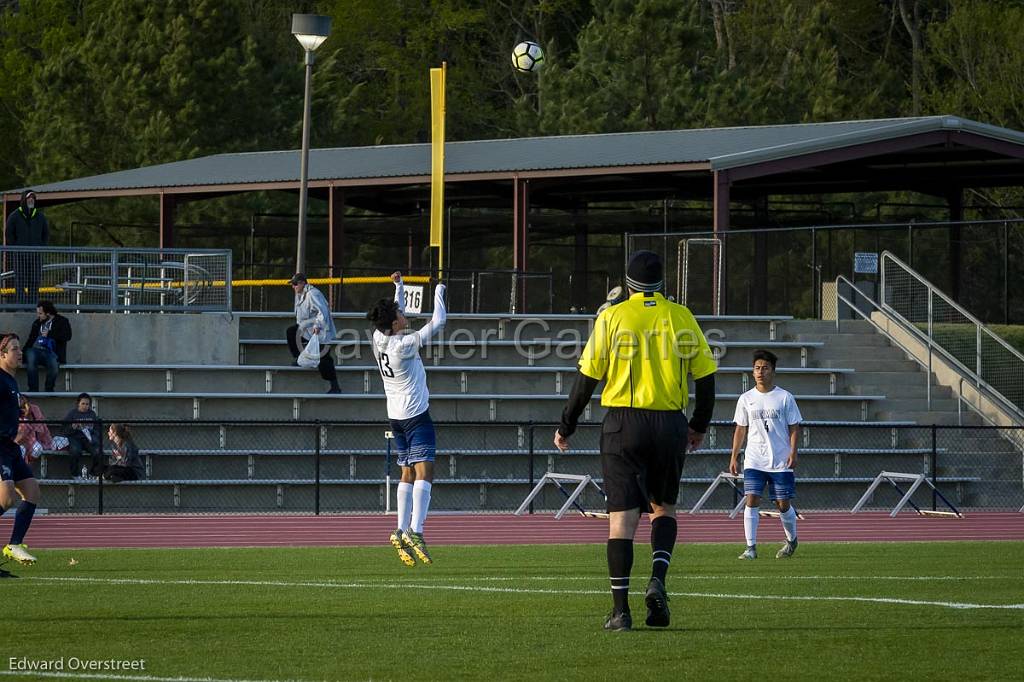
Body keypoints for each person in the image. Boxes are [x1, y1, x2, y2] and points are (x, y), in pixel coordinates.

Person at [554, 250, 717, 632]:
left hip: (623, 424)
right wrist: (697, 425)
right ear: (663, 285)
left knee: (621, 522)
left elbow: (586, 379)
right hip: (668, 424)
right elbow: (706, 378)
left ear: (627, 284)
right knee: (663, 510)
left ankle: (620, 611)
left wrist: (567, 425)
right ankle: (658, 578)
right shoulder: (681, 316)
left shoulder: (612, 316)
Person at [367, 272, 446, 567]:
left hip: (395, 417)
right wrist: (440, 289)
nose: (404, 313)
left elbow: (390, 313)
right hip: (415, 416)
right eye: (400, 313)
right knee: (425, 472)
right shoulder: (404, 345)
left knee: (406, 473)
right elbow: (438, 322)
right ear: (395, 323)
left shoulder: (379, 338)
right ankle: (417, 530)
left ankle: (400, 530)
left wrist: (398, 287)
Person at [729, 349, 803, 560]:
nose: (760, 372)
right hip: (754, 459)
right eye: (757, 368)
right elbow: (740, 429)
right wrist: (734, 456)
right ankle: (750, 548)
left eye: (765, 368)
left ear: (773, 371)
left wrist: (793, 452)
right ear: (753, 372)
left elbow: (794, 427)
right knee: (751, 499)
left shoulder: (785, 397)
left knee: (782, 504)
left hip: (780, 460)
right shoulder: (746, 398)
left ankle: (791, 540)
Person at [0, 333, 40, 565]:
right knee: (6, 500)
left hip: (10, 446)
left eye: (19, 349)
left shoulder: (11, 380)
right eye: (14, 349)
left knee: (32, 492)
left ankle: (14, 544)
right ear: (2, 354)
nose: (20, 353)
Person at [285, 273, 341, 394]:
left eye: (295, 284)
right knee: (291, 332)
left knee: (324, 358)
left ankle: (335, 386)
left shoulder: (312, 294)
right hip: (308, 329)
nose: (293, 287)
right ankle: (299, 358)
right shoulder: (301, 295)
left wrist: (317, 325)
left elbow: (323, 312)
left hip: (320, 330)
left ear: (302, 283)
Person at [4, 190, 49, 305]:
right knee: (20, 281)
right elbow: (9, 234)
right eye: (29, 198)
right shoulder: (14, 216)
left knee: (34, 281)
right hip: (20, 255)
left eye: (33, 199)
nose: (31, 200)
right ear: (24, 200)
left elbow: (46, 233)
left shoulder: (40, 216)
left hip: (35, 255)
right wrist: (16, 248)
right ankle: (21, 306)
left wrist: (41, 247)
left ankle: (33, 306)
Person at [24, 300, 72, 392]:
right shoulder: (37, 323)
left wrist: (50, 334)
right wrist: (21, 354)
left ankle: (49, 389)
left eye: (40, 313)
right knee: (30, 354)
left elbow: (67, 336)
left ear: (48, 313)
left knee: (53, 363)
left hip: (52, 352)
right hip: (36, 351)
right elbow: (30, 340)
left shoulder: (62, 321)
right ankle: (33, 389)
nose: (38, 316)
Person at [62, 392, 101, 480]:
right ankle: (75, 474)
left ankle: (93, 473)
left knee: (98, 452)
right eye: (83, 403)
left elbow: (97, 429)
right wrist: (73, 427)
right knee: (75, 451)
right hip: (75, 438)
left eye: (87, 404)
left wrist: (93, 436)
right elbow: (64, 430)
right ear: (78, 404)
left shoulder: (92, 414)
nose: (85, 406)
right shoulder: (72, 414)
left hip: (88, 439)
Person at [15, 395, 53, 463]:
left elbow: (41, 428)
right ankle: (21, 467)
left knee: (37, 448)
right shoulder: (13, 411)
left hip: (33, 439)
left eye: (24, 406)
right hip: (19, 440)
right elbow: (19, 433)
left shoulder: (35, 409)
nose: (23, 409)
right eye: (21, 407)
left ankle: (29, 462)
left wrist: (29, 422)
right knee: (21, 450)